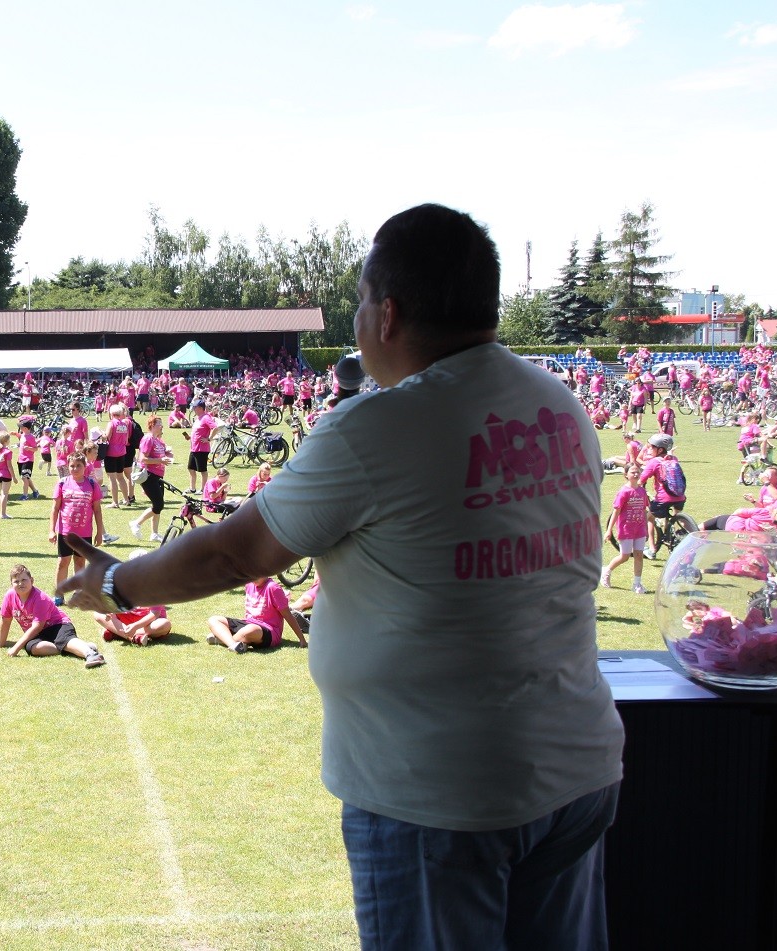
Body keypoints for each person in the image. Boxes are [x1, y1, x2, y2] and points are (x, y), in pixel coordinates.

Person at [60, 203, 624, 949]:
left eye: (359, 300)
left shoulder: (378, 427)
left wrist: (120, 583)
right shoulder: (559, 403)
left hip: (441, 792)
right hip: (576, 766)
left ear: (387, 315)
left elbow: (236, 552)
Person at [0, 564, 105, 668]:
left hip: (58, 625)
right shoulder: (9, 596)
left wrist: (15, 648)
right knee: (33, 648)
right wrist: (0, 644)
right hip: (38, 633)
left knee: (64, 640)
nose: (20, 583)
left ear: (32, 580)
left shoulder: (40, 597)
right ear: (11, 584)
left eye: (24, 580)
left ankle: (91, 654)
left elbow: (37, 626)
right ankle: (77, 647)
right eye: (16, 581)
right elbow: (5, 620)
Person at [49, 455, 107, 595]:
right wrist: (51, 530)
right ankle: (59, 594)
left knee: (80, 562)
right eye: (72, 466)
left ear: (85, 466)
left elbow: (97, 510)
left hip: (84, 533)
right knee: (63, 562)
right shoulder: (62, 483)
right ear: (68, 466)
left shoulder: (92, 484)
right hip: (66, 532)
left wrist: (99, 533)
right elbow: (55, 509)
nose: (75, 469)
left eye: (78, 465)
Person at [206, 575, 304, 652]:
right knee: (213, 620)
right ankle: (234, 644)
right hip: (248, 623)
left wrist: (301, 639)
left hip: (269, 630)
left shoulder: (273, 588)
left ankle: (221, 640)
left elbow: (287, 614)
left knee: (250, 629)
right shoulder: (249, 584)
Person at [601, 464, 649, 593]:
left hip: (639, 529)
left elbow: (644, 511)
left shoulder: (642, 491)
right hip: (626, 529)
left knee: (639, 555)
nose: (636, 474)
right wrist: (609, 530)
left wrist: (646, 528)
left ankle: (637, 584)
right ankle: (606, 571)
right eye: (632, 472)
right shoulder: (623, 492)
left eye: (637, 472)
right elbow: (616, 512)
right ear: (626, 475)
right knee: (625, 556)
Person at [129, 415, 172, 542]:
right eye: (159, 424)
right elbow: (143, 459)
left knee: (158, 505)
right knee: (158, 505)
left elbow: (161, 453)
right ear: (152, 425)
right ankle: (136, 523)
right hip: (149, 475)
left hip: (158, 475)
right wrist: (160, 460)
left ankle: (154, 533)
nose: (162, 426)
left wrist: (167, 454)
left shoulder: (158, 439)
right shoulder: (148, 439)